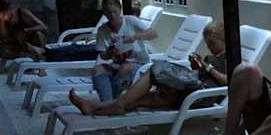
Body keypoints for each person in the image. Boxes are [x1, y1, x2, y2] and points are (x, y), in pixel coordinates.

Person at [68, 21, 228, 115]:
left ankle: (116, 105)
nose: (209, 47)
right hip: (191, 91)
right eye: (207, 43)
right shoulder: (212, 57)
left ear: (223, 40)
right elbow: (201, 74)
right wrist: (197, 66)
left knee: (154, 71)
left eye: (212, 43)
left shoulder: (230, 57)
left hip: (202, 96)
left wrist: (207, 67)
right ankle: (94, 107)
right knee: (141, 99)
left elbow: (228, 81)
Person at [92, 0, 157, 101]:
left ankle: (110, 102)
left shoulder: (130, 21)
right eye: (109, 13)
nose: (113, 16)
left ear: (120, 10)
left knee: (125, 68)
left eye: (115, 12)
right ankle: (109, 102)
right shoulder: (102, 30)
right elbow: (103, 56)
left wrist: (135, 37)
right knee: (98, 69)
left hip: (139, 64)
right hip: (117, 65)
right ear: (104, 13)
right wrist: (110, 52)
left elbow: (153, 33)